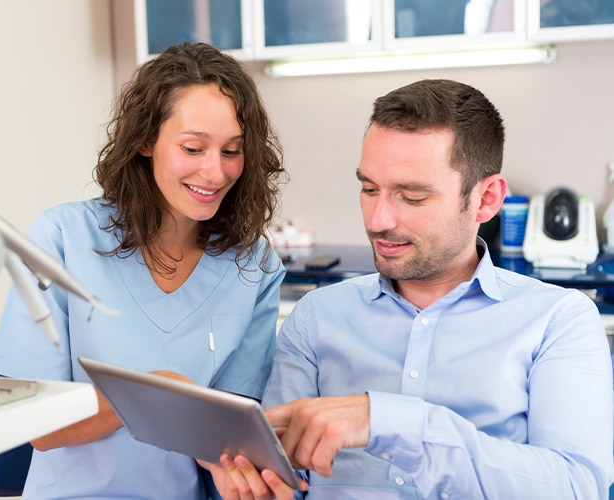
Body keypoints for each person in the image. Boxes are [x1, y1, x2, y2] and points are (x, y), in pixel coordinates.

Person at [204, 79, 614, 499]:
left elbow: (577, 487)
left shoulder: (558, 321)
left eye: (412, 197)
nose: (379, 219)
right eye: (368, 189)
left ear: (486, 199)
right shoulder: (316, 317)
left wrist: (385, 421)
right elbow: (280, 470)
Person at [0, 41, 287, 499]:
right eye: (193, 147)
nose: (215, 172)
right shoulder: (62, 238)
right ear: (146, 140)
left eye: (232, 151)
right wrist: (159, 393)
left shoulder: (255, 267)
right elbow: (37, 425)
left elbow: (231, 433)